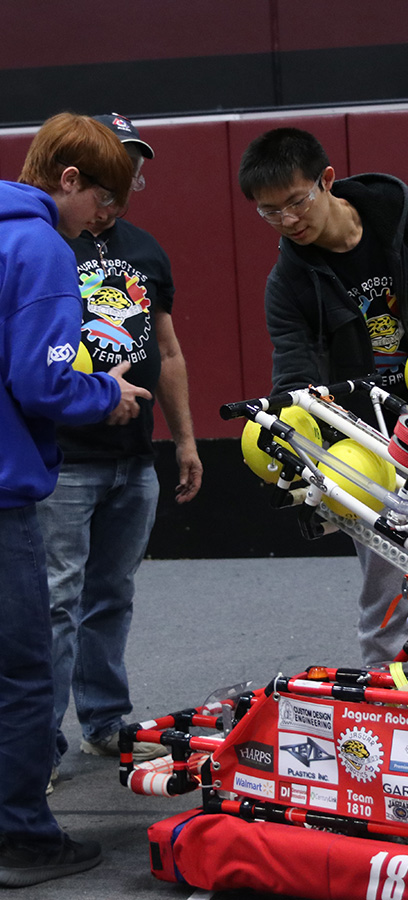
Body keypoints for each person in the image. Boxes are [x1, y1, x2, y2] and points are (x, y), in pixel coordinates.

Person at [238, 127, 408, 665]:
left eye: (296, 202)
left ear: (327, 180)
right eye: (270, 213)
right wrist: (292, 435)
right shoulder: (287, 284)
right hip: (368, 444)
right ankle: (386, 684)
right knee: (386, 576)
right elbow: (293, 376)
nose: (288, 221)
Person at [0, 112, 152, 887]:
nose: (107, 218)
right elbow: (43, 379)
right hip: (2, 493)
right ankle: (22, 835)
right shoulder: (39, 247)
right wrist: (107, 394)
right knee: (24, 671)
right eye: (104, 201)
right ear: (68, 181)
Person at [37, 114, 203, 784]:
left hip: (135, 459)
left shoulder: (146, 250)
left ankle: (104, 722)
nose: (127, 177)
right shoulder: (45, 244)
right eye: (116, 163)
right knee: (55, 600)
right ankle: (36, 743)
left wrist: (185, 439)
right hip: (65, 459)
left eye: (133, 164)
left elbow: (166, 350)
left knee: (112, 594)